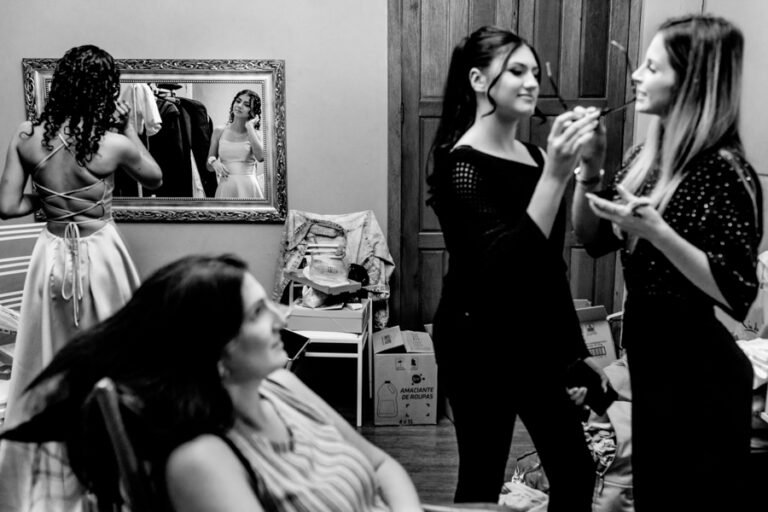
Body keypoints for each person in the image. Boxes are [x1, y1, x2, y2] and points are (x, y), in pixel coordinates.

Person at [0, 254, 422, 512]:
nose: (282, 317)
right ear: (215, 349)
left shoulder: (281, 386)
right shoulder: (201, 462)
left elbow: (380, 465)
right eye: (257, 313)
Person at [572, 15, 762, 512]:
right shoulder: (645, 158)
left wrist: (658, 232)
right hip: (652, 369)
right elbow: (592, 240)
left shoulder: (726, 172)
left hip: (703, 380)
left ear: (691, 82)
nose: (636, 75)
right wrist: (589, 169)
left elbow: (738, 293)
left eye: (652, 67)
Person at [426, 26, 600, 509]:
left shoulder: (537, 157)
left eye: (536, 72)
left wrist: (573, 355)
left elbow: (547, 268)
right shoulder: (459, 165)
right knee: (482, 477)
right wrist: (557, 175)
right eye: (517, 70)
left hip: (534, 339)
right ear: (478, 80)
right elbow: (502, 268)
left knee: (575, 471)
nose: (532, 82)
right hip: (476, 342)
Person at [0, 44, 162, 511]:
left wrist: (51, 201)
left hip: (50, 254)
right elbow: (154, 178)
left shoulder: (27, 135)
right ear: (104, 90)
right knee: (116, 353)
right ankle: (113, 456)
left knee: (49, 355)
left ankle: (48, 462)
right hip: (101, 254)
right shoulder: (112, 143)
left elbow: (7, 206)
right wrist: (128, 128)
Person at [207, 89, 265, 199]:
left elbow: (261, 157)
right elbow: (208, 166)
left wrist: (250, 127)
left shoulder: (256, 134)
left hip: (249, 188)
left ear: (253, 111)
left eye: (246, 105)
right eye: (238, 101)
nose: (239, 106)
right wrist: (214, 162)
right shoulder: (219, 131)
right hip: (226, 187)